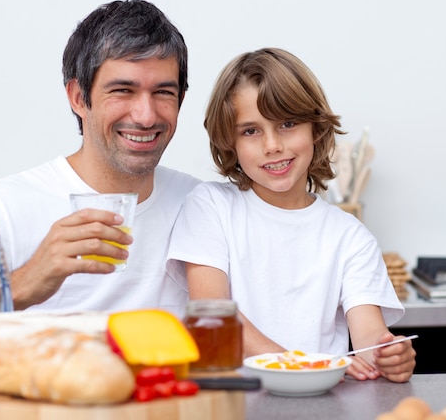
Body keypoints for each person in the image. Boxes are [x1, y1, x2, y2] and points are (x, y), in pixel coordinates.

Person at [167, 48, 416, 382]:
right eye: (251, 131)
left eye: (287, 124)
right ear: (231, 142)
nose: (272, 145)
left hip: (324, 405)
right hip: (234, 406)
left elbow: (369, 336)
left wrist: (388, 354)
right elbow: (213, 316)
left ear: (315, 128)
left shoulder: (349, 235)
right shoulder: (211, 206)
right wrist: (298, 363)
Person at [0, 0, 200, 316]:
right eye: (123, 90)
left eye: (163, 92)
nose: (146, 116)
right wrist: (24, 284)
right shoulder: (5, 208)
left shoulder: (202, 206)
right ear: (79, 98)